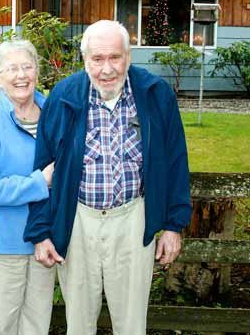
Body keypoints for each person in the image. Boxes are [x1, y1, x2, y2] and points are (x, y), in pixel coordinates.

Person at [24, 20, 192, 335]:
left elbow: (176, 161)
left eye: (115, 57)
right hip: (78, 221)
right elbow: (41, 167)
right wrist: (40, 232)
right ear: (84, 59)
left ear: (128, 57)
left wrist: (173, 226)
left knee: (131, 324)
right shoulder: (63, 96)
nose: (107, 69)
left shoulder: (155, 94)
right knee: (79, 323)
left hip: (133, 219)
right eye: (97, 59)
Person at [0, 40, 56, 335]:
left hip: (44, 245)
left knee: (36, 326)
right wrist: (39, 183)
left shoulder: (54, 116)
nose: (21, 75)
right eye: (12, 69)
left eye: (27, 67)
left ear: (37, 71)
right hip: (2, 246)